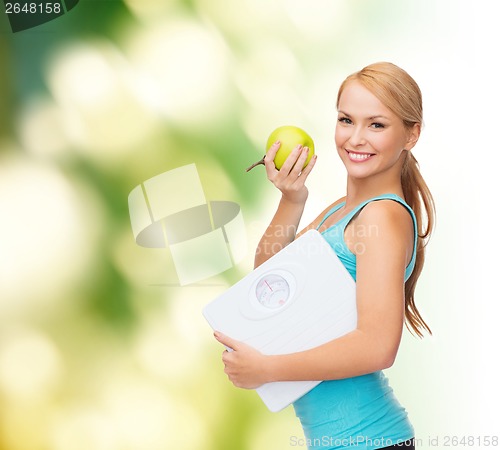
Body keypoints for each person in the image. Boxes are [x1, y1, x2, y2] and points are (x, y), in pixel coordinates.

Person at [214, 62, 435, 450]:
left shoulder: (382, 216)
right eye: (346, 120)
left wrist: (267, 369)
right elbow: (269, 282)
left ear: (411, 134)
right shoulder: (341, 210)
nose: (356, 138)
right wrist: (292, 199)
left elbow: (378, 346)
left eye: (377, 125)